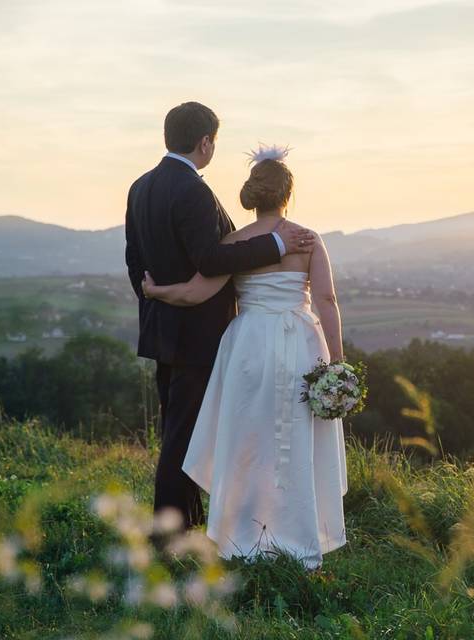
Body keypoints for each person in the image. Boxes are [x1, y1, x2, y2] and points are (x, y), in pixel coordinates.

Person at [140, 144, 348, 570]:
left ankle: (242, 535)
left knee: (248, 439)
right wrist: (338, 364)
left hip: (248, 345)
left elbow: (197, 292)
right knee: (295, 441)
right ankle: (297, 539)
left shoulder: (232, 243)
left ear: (254, 195)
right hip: (301, 346)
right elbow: (326, 299)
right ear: (288, 193)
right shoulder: (307, 239)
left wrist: (156, 291)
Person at [124, 102, 315, 532]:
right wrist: (278, 247)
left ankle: (185, 524)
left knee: (179, 431)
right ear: (205, 142)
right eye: (215, 141)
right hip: (196, 335)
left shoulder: (140, 186)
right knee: (183, 439)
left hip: (163, 330)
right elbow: (211, 260)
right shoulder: (192, 190)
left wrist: (155, 295)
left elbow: (134, 259)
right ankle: (170, 534)